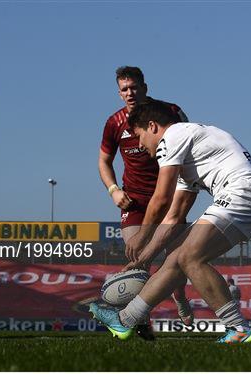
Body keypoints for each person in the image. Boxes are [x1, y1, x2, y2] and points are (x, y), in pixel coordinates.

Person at [90, 100, 251, 344]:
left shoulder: (174, 136)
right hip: (246, 194)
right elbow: (174, 217)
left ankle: (238, 328)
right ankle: (125, 320)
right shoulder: (188, 156)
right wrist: (142, 259)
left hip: (242, 192)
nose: (141, 146)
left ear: (152, 126)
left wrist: (141, 237)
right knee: (176, 257)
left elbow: (161, 198)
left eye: (139, 136)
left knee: (190, 258)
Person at [98, 66, 192, 340]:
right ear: (119, 93)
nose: (130, 93)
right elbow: (103, 161)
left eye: (134, 87)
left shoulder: (170, 111)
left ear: (145, 87)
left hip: (170, 197)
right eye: (124, 89)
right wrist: (114, 190)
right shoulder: (114, 122)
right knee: (138, 260)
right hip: (136, 202)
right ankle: (141, 324)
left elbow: (189, 144)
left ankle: (180, 295)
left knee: (176, 259)